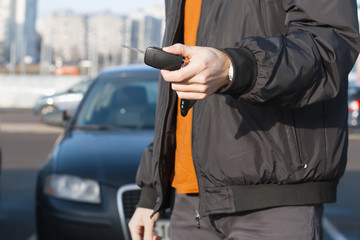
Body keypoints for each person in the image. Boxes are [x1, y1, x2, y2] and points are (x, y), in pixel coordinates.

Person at [129, 0, 360, 239]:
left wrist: (235, 68)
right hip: (188, 205)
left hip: (274, 200)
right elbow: (175, 95)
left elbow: (330, 43)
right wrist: (151, 191)